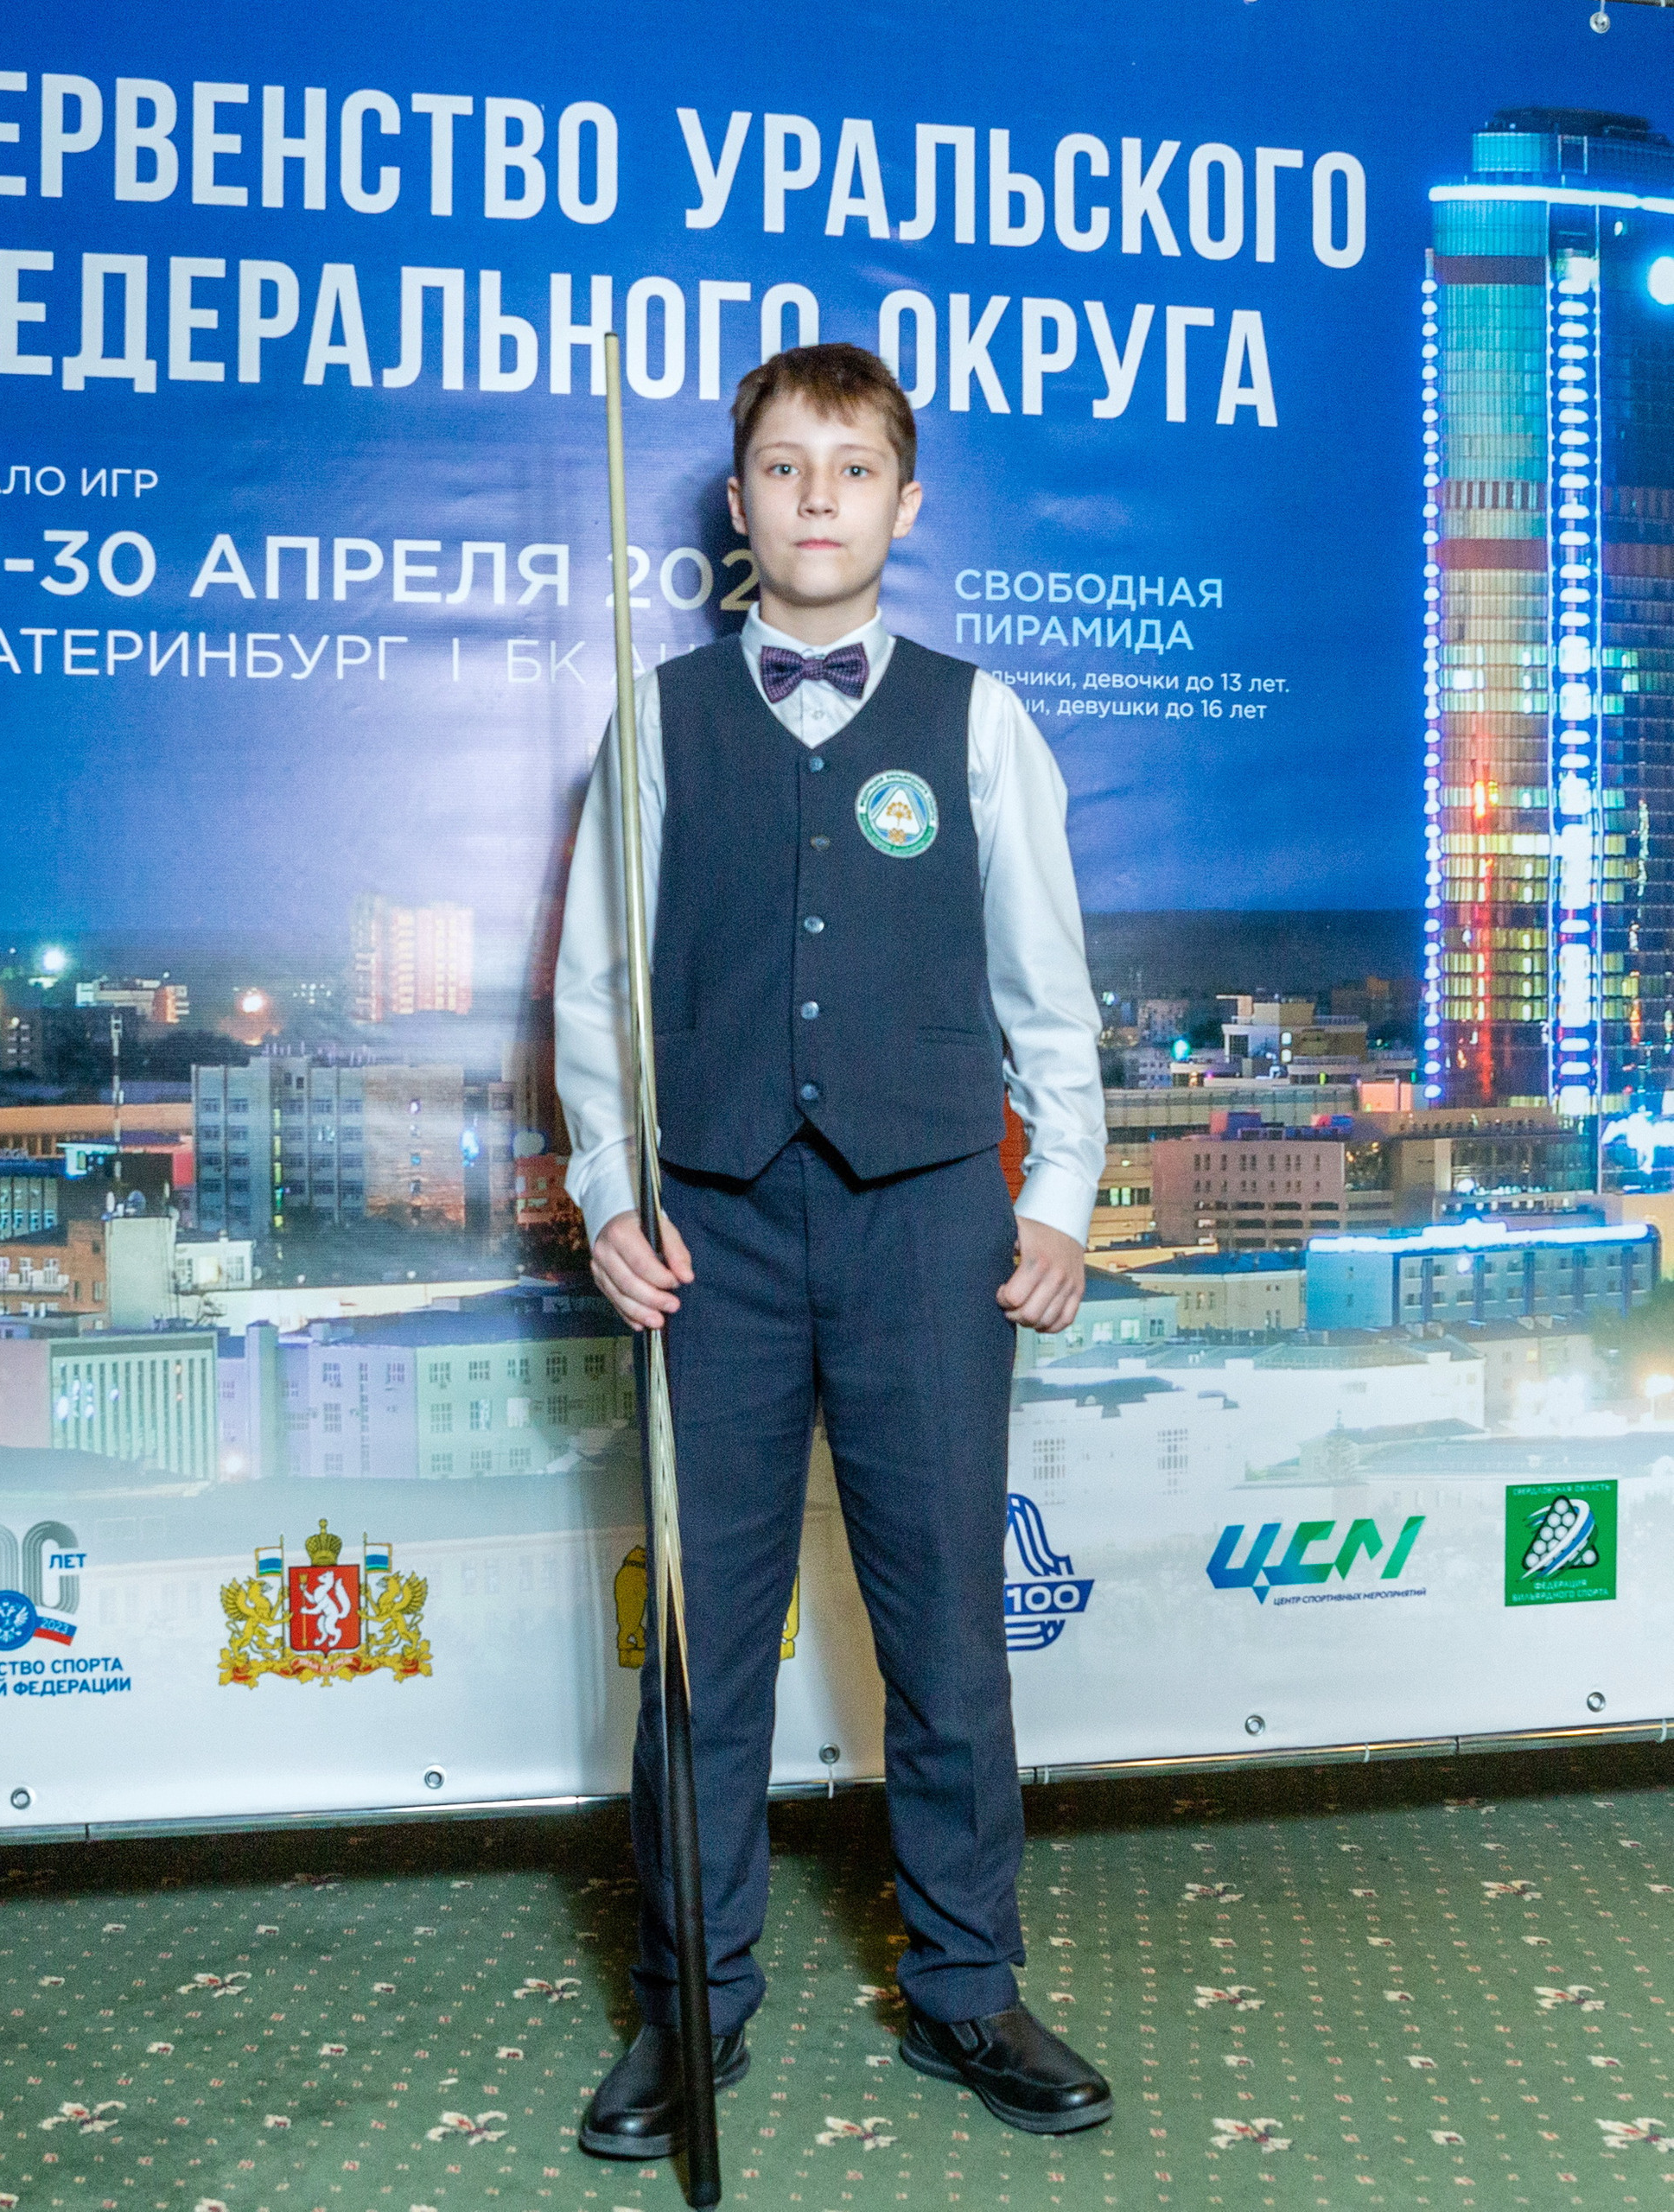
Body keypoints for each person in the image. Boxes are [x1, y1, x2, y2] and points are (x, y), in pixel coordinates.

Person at [554, 341, 1111, 2157]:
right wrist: (610, 1192)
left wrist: (1056, 1195)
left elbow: (1047, 988)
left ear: (903, 501)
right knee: (701, 1650)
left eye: (852, 468)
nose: (816, 496)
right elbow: (596, 994)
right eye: (784, 467)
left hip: (929, 1221)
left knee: (945, 1627)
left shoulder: (977, 719)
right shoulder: (654, 721)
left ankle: (964, 1986)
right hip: (708, 1231)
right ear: (738, 502)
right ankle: (688, 2006)